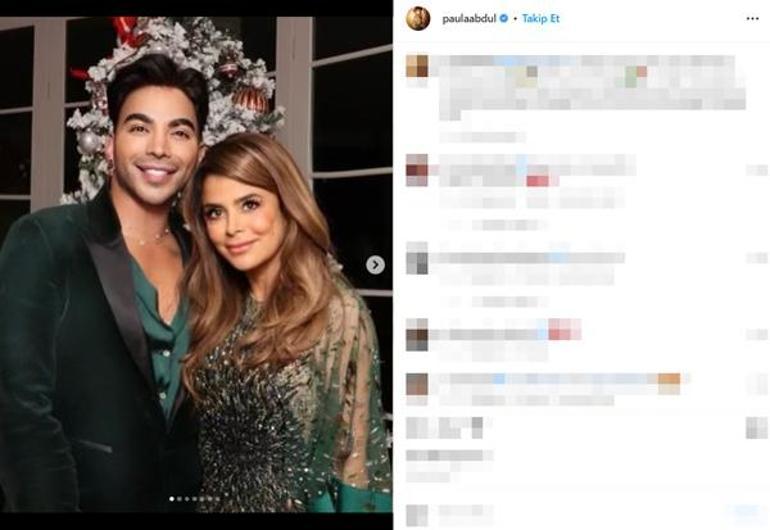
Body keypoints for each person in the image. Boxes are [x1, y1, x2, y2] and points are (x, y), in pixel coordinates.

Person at [0, 53, 208, 511]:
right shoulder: (46, 241)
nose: (159, 148)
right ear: (111, 145)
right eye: (139, 127)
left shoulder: (205, 260)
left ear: (199, 153)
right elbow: (20, 412)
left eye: (179, 132)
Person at [180, 132, 392, 512]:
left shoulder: (335, 310)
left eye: (249, 204)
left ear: (286, 202)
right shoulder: (212, 306)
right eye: (215, 212)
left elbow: (358, 462)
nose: (232, 227)